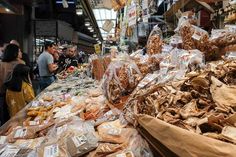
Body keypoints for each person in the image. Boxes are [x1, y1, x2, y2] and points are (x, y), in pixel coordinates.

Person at [0, 44, 24, 125]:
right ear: (15, 53)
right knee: (18, 116)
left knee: (5, 115)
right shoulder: (20, 64)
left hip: (3, 93)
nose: (21, 53)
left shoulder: (1, 64)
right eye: (19, 51)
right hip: (17, 94)